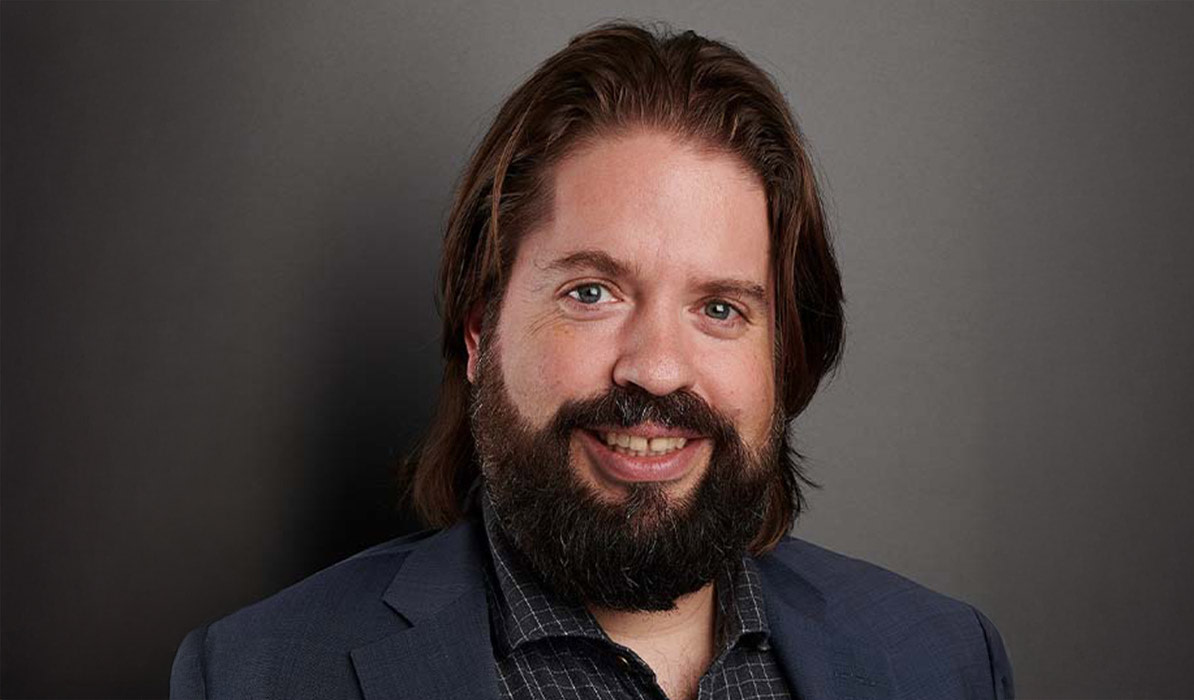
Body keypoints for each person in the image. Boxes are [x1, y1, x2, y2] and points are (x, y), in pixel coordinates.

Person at [171, 22, 1014, 700]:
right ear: (479, 334)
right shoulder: (256, 674)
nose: (655, 369)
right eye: (591, 293)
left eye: (720, 308)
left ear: (780, 356)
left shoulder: (944, 660)